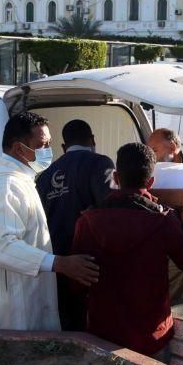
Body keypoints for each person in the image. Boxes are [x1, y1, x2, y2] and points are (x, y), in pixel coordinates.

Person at [71, 142, 183, 358]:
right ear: (151, 181)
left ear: (116, 178)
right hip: (151, 336)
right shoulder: (162, 221)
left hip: (104, 334)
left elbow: (76, 282)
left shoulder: (88, 221)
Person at [0, 112, 99, 330]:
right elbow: (3, 246)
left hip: (20, 296)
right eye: (42, 145)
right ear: (18, 149)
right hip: (12, 309)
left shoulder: (19, 181)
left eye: (49, 144)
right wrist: (60, 263)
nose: (48, 152)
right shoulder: (5, 186)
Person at [36, 120, 116, 329]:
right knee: (91, 325)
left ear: (64, 147)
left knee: (66, 322)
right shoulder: (100, 163)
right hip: (89, 263)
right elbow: (111, 207)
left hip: (57, 260)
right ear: (92, 140)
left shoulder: (45, 175)